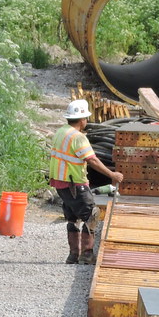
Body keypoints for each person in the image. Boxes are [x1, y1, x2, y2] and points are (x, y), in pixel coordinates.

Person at [49, 99, 123, 265]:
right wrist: (112, 174)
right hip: (74, 183)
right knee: (92, 215)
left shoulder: (61, 132)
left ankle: (73, 255)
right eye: (86, 118)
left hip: (61, 183)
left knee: (72, 218)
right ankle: (87, 255)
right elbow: (92, 160)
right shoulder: (78, 137)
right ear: (82, 119)